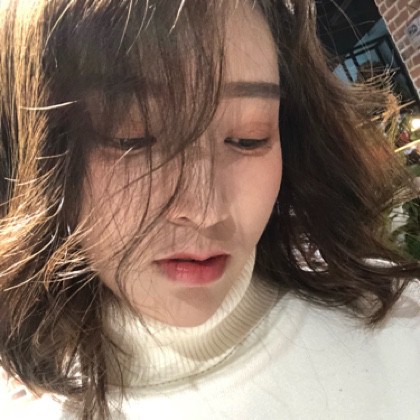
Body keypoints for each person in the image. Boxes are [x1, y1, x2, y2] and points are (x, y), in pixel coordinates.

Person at [0, 0, 419, 419]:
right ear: (35, 154)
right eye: (132, 138)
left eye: (248, 137)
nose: (204, 209)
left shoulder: (401, 329)